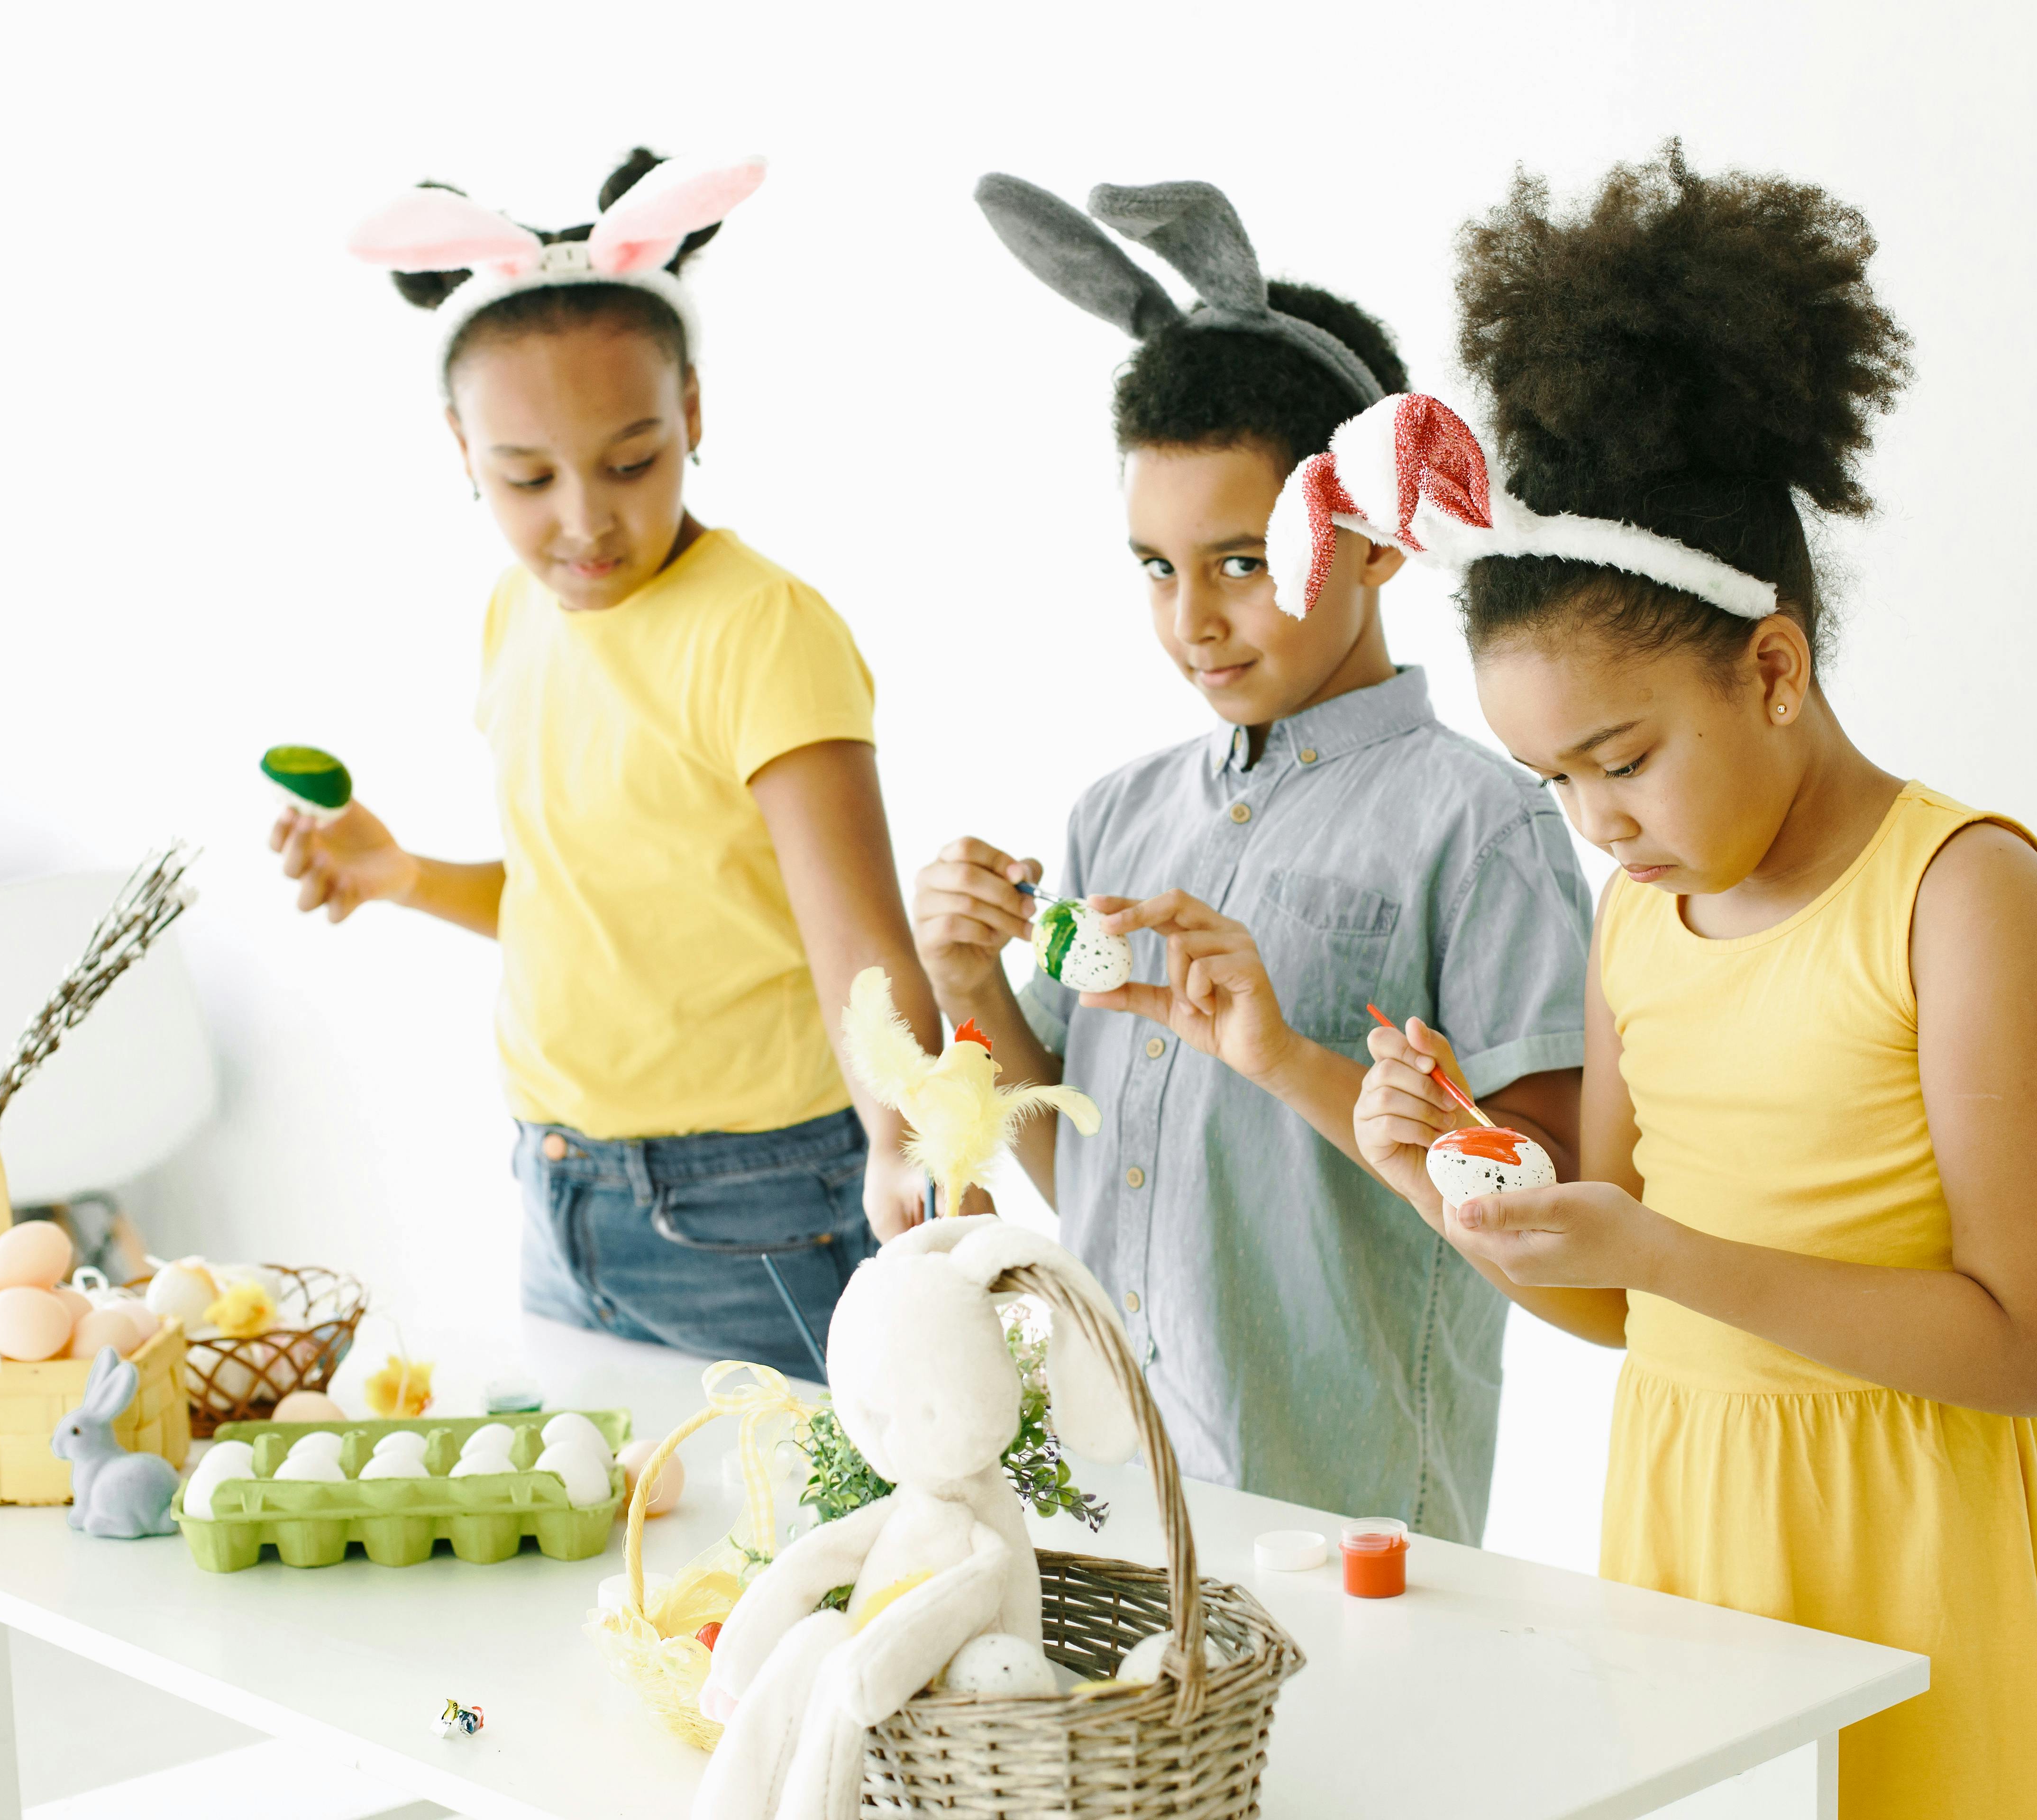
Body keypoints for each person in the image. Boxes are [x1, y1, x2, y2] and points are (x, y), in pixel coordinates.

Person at [1346, 146, 2037, 1815]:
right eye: (1551, 781)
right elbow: (1630, 1299)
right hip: (1693, 1548)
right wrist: (1439, 1183)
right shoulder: (1646, 918)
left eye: (1620, 760)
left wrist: (1657, 1248)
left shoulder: (1959, 896)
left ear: (1772, 665)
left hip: (1923, 1549)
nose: (1592, 824)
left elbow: (2033, 1344)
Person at [911, 177, 1591, 1545]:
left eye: (1239, 561)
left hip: (1344, 1520)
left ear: (1384, 531)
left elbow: (1557, 1212)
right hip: (1114, 1497)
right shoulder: (1119, 815)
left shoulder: (1483, 827)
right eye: (1156, 568)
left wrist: (1287, 1056)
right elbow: (1084, 1161)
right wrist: (963, 974)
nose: (1192, 623)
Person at [274, 149, 952, 1382]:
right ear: (460, 449)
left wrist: (907, 1136)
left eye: (631, 461)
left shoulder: (761, 629)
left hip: (761, 1207)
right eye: (527, 478)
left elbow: (862, 943)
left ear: (693, 412)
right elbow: (587, 901)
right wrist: (403, 874)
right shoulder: (515, 617)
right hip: (557, 1186)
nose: (583, 520)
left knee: (821, 1559)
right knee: (617, 1562)